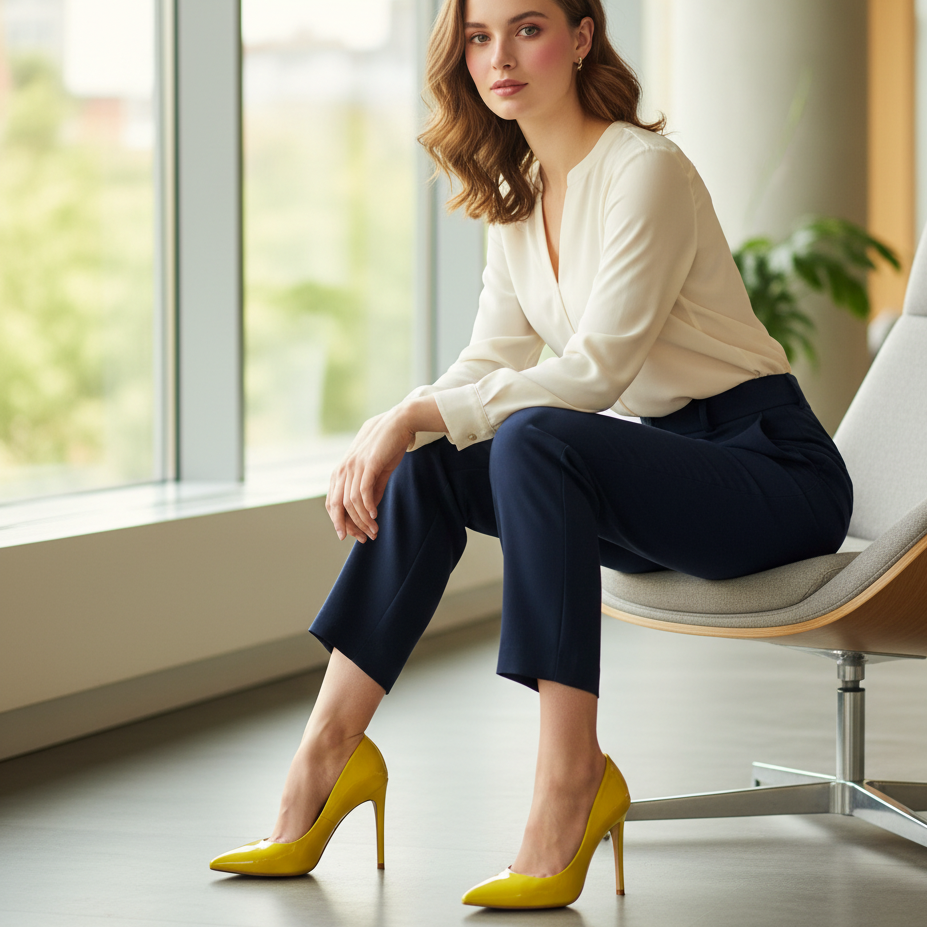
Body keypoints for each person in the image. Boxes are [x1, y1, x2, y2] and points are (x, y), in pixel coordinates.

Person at [209, 0, 852, 909]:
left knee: (534, 434)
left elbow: (593, 372)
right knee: (432, 469)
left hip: (771, 473)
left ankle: (568, 778)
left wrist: (419, 411)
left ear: (582, 36)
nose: (498, 56)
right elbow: (489, 362)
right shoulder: (516, 201)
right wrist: (406, 419)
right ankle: (327, 754)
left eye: (527, 27)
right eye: (477, 36)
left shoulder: (645, 172)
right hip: (668, 470)